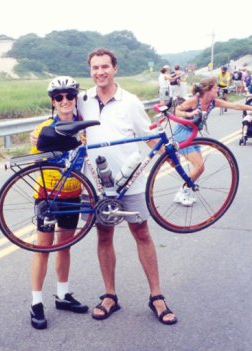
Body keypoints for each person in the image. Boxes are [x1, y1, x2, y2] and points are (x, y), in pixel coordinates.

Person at [77, 48, 177, 325]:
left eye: (105, 67)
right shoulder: (82, 99)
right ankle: (110, 295)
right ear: (90, 70)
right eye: (95, 67)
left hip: (131, 180)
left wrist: (172, 163)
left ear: (115, 68)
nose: (100, 72)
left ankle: (156, 296)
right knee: (104, 236)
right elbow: (63, 119)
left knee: (141, 233)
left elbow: (148, 137)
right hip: (97, 183)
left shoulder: (130, 101)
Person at [29, 76, 88, 330]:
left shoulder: (85, 127)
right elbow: (34, 162)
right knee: (43, 247)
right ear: (52, 101)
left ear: (75, 98)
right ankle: (36, 303)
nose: (64, 101)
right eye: (58, 97)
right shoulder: (44, 128)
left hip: (73, 195)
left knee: (65, 247)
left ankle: (63, 295)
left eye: (69, 96)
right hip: (48, 195)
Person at [174, 77, 252, 206]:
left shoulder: (213, 102)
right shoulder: (194, 100)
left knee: (201, 168)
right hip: (182, 133)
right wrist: (190, 114)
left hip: (193, 135)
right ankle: (181, 193)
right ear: (208, 90)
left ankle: (185, 191)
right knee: (198, 165)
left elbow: (235, 105)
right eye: (215, 87)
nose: (218, 89)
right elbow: (177, 111)